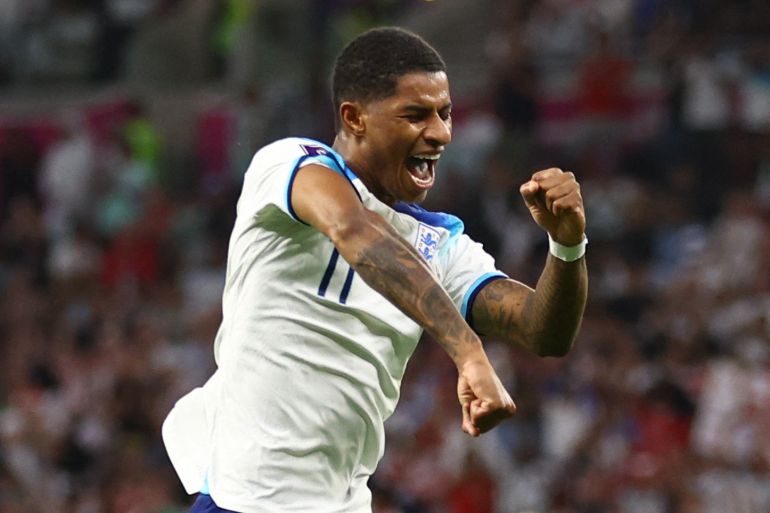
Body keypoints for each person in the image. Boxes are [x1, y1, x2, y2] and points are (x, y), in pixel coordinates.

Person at [162, 27, 588, 513]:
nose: (441, 133)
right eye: (416, 115)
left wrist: (567, 244)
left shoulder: (439, 243)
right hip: (247, 501)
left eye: (445, 113)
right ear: (354, 117)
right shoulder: (289, 166)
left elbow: (544, 331)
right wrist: (468, 351)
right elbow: (355, 231)